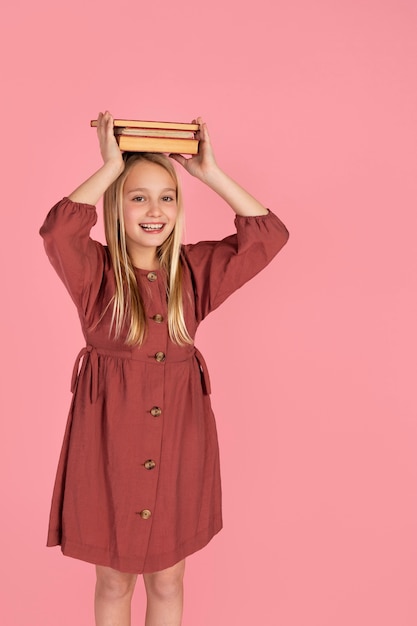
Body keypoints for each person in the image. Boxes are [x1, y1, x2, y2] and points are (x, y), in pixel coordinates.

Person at [40, 111, 289, 626]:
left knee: (170, 577)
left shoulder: (193, 274)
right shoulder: (95, 275)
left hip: (179, 439)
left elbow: (268, 237)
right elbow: (59, 230)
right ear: (116, 205)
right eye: (138, 197)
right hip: (110, 441)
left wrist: (210, 173)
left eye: (167, 197)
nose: (155, 210)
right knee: (112, 578)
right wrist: (111, 165)